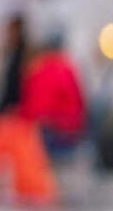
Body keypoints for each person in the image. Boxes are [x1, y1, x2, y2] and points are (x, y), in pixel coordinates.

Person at [0, 13, 58, 209]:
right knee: (9, 165)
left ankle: (33, 198)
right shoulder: (14, 55)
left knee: (21, 166)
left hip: (17, 119)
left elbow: (16, 90)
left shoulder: (22, 58)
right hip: (13, 118)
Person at [20, 29, 86, 160]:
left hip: (50, 135)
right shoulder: (69, 68)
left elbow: (32, 111)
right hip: (70, 134)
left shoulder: (38, 70)